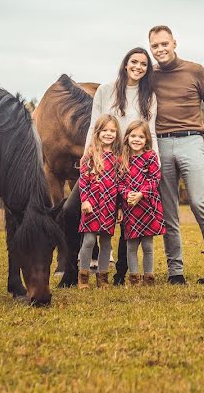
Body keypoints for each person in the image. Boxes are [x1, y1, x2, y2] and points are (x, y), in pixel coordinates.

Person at [148, 25, 204, 284]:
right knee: (168, 211)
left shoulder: (195, 71)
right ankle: (175, 272)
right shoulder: (150, 76)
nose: (160, 49)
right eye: (155, 46)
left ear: (174, 43)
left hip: (192, 141)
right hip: (160, 145)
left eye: (164, 44)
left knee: (198, 202)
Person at [84, 47, 158, 284]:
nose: (138, 67)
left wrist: (154, 161)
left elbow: (152, 131)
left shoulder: (149, 96)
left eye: (143, 64)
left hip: (132, 160)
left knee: (129, 216)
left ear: (147, 70)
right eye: (134, 62)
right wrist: (89, 154)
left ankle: (121, 273)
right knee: (72, 209)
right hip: (103, 158)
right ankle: (77, 268)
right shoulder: (106, 91)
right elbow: (94, 124)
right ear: (125, 64)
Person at [118, 120, 166, 286]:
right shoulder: (123, 158)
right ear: (127, 137)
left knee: (147, 245)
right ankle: (134, 278)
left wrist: (141, 194)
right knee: (131, 246)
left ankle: (149, 278)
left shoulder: (150, 156)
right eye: (133, 135)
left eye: (141, 136)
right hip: (130, 208)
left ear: (147, 139)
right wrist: (127, 195)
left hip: (147, 207)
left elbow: (155, 179)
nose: (136, 139)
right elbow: (120, 184)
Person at [77, 114, 121, 289]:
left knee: (106, 243)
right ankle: (83, 277)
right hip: (92, 205)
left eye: (112, 130)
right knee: (88, 241)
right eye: (105, 130)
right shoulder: (90, 155)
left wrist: (119, 208)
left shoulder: (118, 158)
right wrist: (85, 200)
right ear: (97, 132)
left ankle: (102, 279)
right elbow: (83, 181)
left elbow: (120, 185)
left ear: (117, 133)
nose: (108, 134)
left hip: (110, 206)